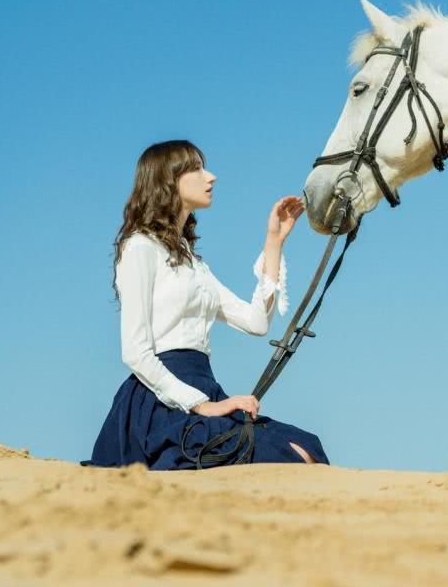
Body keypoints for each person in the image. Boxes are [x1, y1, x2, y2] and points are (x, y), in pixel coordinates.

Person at [81, 139, 329, 469]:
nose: (210, 177)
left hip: (206, 390)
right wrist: (202, 406)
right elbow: (135, 352)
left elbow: (256, 322)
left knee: (305, 447)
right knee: (285, 457)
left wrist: (274, 241)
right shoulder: (139, 248)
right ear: (167, 181)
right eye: (197, 169)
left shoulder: (195, 266)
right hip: (159, 403)